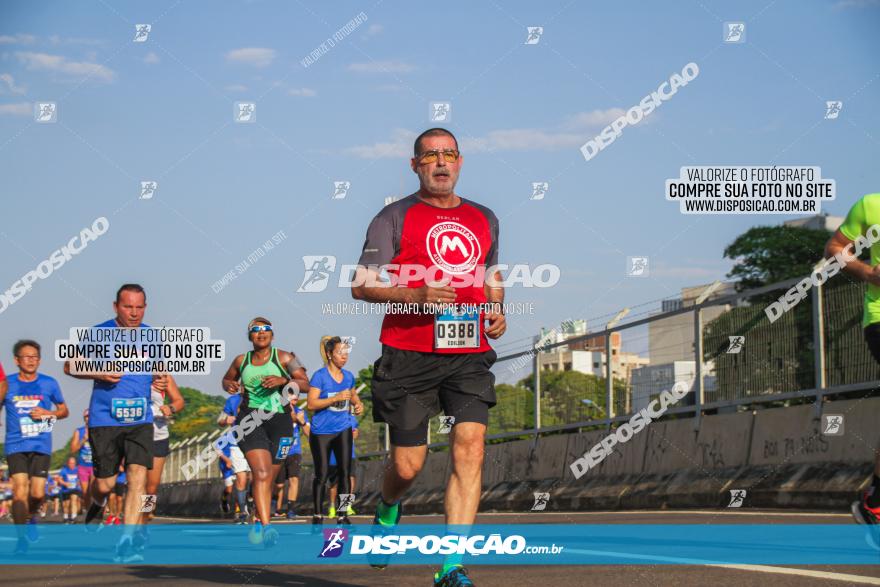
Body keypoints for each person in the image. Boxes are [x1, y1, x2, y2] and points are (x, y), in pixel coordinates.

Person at [352, 128, 506, 586]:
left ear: (460, 161)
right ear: (415, 164)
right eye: (430, 155)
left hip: (468, 351)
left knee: (471, 447)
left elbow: (491, 272)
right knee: (407, 466)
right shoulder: (393, 217)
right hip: (408, 354)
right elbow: (360, 285)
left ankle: (451, 566)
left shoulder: (485, 218)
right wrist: (414, 292)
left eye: (449, 154)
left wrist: (496, 309)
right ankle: (387, 510)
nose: (441, 162)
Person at [63, 283, 167, 562]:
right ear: (115, 307)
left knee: (138, 479)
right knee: (106, 484)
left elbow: (158, 367)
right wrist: (100, 372)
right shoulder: (99, 333)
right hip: (105, 419)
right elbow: (70, 365)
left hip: (140, 419)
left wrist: (160, 377)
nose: (134, 313)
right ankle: (97, 502)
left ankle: (127, 539)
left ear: (145, 307)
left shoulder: (152, 336)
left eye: (139, 307)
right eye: (128, 306)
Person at [220, 317, 309, 546]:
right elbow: (228, 378)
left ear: (272, 334)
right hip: (250, 420)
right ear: (250, 336)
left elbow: (306, 384)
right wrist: (228, 384)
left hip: (280, 421)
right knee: (260, 473)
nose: (261, 333)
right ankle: (267, 527)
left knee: (268, 477)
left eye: (265, 329)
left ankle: (258, 516)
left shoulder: (285, 358)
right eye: (255, 330)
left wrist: (284, 380)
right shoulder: (242, 360)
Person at [827, 194, 880, 534]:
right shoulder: (871, 205)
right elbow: (835, 247)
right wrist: (867, 272)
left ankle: (875, 497)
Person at [1, 339, 69, 554]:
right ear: (16, 360)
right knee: (20, 490)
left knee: (38, 494)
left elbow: (64, 410)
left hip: (41, 444)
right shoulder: (7, 384)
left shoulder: (49, 383)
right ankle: (21, 540)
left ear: (39, 360)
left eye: (35, 357)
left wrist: (49, 413)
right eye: (26, 357)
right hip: (15, 444)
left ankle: (31, 518)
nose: (31, 361)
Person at [307, 336, 364, 526]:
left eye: (346, 353)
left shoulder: (348, 376)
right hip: (322, 431)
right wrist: (334, 398)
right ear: (330, 354)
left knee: (345, 473)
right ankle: (317, 514)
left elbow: (353, 395)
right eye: (340, 352)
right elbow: (311, 403)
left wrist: (358, 404)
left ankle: (342, 514)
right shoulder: (320, 376)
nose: (344, 356)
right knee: (322, 474)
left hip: (343, 428)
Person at [144, 378, 184, 524]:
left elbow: (179, 401)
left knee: (151, 486)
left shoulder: (161, 374)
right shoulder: (125, 371)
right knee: (136, 482)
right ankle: (134, 521)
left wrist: (171, 408)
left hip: (158, 435)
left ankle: (144, 515)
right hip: (133, 433)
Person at [217, 390, 252, 524]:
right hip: (236, 445)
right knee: (241, 480)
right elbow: (219, 420)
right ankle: (241, 511)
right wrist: (226, 420)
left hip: (256, 443)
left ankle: (251, 505)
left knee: (255, 479)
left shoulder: (262, 395)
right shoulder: (232, 400)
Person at [274, 401, 309, 519]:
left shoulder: (301, 412)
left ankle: (291, 509)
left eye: (296, 397)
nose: (293, 400)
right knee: (279, 485)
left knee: (294, 479)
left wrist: (302, 422)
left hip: (295, 451)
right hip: (280, 449)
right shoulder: (277, 410)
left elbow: (309, 433)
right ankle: (274, 506)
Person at [328, 414, 358, 518]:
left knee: (350, 477)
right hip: (333, 455)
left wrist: (350, 434)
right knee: (334, 483)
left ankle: (346, 506)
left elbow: (355, 432)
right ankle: (332, 507)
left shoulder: (352, 418)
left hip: (349, 454)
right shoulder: (329, 417)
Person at [70, 410, 94, 509]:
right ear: (84, 418)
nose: (88, 418)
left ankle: (99, 515)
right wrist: (83, 440)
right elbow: (73, 449)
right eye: (86, 416)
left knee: (94, 490)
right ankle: (89, 515)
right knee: (85, 493)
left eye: (90, 416)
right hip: (83, 466)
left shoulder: (98, 430)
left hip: (94, 466)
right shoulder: (79, 431)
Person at [58, 456, 81, 524]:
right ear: (68, 463)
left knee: (74, 500)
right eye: (71, 463)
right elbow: (59, 479)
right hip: (65, 489)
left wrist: (78, 482)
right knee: (66, 505)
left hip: (75, 488)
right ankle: (65, 517)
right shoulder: (64, 470)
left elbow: (82, 478)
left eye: (73, 463)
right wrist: (65, 483)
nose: (72, 465)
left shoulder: (78, 469)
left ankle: (73, 517)